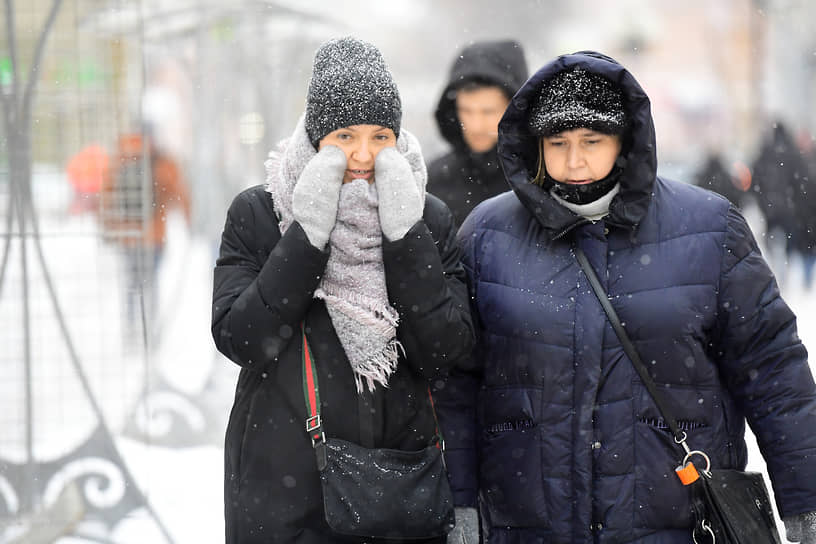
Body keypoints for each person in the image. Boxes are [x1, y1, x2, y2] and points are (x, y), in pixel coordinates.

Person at [434, 50, 816, 543]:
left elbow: (774, 372)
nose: (574, 162)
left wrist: (805, 500)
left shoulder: (709, 228)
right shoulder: (488, 234)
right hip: (529, 520)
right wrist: (459, 501)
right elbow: (455, 385)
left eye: (592, 140)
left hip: (679, 519)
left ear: (624, 139)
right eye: (558, 142)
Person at [210, 37, 474, 544]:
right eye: (343, 136)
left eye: (380, 137)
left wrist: (403, 236)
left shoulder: (427, 218)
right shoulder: (260, 214)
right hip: (282, 489)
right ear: (314, 137)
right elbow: (241, 339)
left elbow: (443, 351)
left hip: (396, 486)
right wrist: (306, 235)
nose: (362, 155)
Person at [98, 132, 191, 339]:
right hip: (154, 234)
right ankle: (151, 327)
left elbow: (106, 194)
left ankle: (131, 326)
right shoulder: (159, 159)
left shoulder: (119, 158)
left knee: (131, 282)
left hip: (127, 234)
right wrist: (187, 217)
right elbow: (177, 190)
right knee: (151, 282)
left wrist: (106, 224)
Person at [427, 40, 528, 227]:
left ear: (515, 110)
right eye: (466, 110)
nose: (475, 126)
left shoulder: (540, 178)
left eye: (488, 112)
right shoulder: (434, 180)